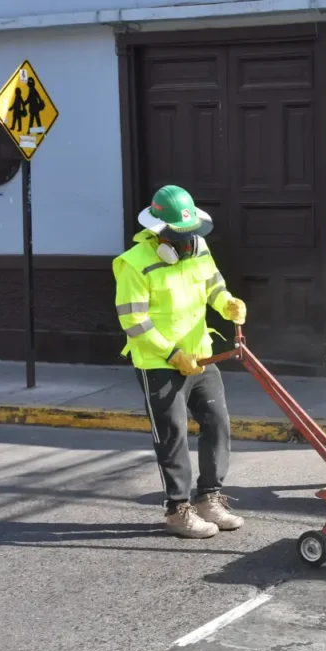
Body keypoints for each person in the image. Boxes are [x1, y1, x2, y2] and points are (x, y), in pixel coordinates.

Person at [112, 184, 248, 539]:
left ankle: (209, 498)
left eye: (191, 234)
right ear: (160, 232)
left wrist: (227, 304)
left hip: (200, 354)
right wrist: (172, 354)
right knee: (172, 436)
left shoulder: (199, 248)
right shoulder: (133, 264)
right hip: (158, 362)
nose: (188, 242)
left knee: (217, 422)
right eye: (179, 236)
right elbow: (134, 321)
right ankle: (178, 511)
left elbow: (214, 286)